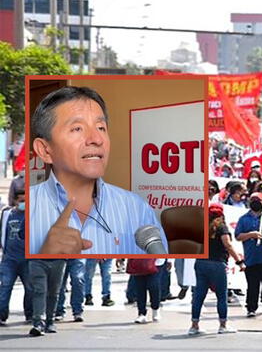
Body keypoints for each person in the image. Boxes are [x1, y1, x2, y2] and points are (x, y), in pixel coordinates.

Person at [29, 86, 168, 255]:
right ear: (44, 150)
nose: (96, 139)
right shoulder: (24, 212)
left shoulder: (137, 208)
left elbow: (161, 266)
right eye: (77, 129)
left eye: (101, 128)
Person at [189, 205, 245, 335]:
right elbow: (228, 245)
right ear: (221, 215)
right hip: (217, 264)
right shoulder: (221, 228)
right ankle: (223, 325)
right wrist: (239, 262)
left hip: (201, 263)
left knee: (199, 295)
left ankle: (194, 326)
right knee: (221, 295)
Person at [0, 190, 32, 326]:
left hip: (27, 259)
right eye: (21, 201)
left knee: (30, 288)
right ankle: (2, 315)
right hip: (9, 259)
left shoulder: (32, 215)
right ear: (15, 201)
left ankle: (30, 314)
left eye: (26, 201)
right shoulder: (7, 214)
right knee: (5, 287)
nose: (23, 204)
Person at [28, 258, 66, 336]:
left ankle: (49, 321)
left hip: (58, 259)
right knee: (39, 291)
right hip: (36, 259)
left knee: (53, 292)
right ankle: (38, 322)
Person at [132, 258, 164, 324]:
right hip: (138, 262)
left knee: (154, 285)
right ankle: (141, 313)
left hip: (157, 262)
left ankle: (155, 308)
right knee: (140, 288)